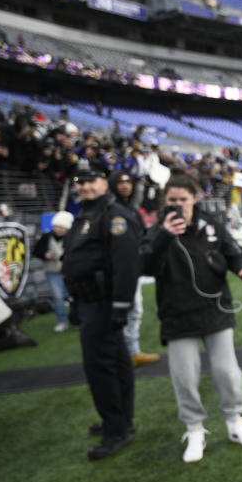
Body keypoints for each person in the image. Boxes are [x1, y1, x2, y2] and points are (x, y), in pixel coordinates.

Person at [140, 174, 242, 463]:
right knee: (185, 377)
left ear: (194, 198)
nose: (179, 205)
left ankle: (234, 422)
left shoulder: (211, 225)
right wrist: (165, 236)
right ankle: (194, 429)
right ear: (165, 201)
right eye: (173, 200)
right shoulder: (156, 230)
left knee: (227, 372)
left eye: (184, 199)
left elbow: (236, 253)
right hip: (177, 314)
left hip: (215, 309)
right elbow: (145, 266)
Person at [61, 162, 141, 460]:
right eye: (80, 182)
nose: (84, 186)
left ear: (104, 183)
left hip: (104, 303)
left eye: (91, 181)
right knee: (118, 362)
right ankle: (121, 420)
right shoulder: (86, 212)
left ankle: (115, 430)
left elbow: (125, 264)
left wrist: (122, 305)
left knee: (100, 367)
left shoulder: (114, 215)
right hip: (89, 302)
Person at [110, 170, 160, 368]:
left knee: (134, 311)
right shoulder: (111, 209)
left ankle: (131, 352)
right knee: (124, 311)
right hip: (118, 271)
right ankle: (126, 353)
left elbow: (142, 235)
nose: (125, 186)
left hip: (132, 269)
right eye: (120, 182)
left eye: (128, 182)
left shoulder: (131, 209)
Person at [33, 211, 73, 332]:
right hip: (52, 272)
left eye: (62, 227)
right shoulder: (46, 237)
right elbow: (36, 251)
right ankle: (62, 321)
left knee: (74, 296)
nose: (59, 229)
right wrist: (45, 254)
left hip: (70, 271)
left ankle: (77, 319)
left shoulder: (71, 238)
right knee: (58, 297)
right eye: (56, 226)